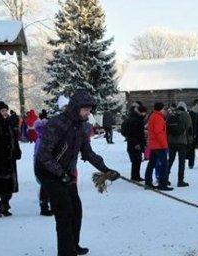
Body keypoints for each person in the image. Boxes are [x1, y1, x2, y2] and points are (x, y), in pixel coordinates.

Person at [35, 90, 121, 256]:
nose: (88, 113)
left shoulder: (81, 127)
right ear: (75, 107)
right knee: (64, 211)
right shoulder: (57, 124)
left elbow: (88, 153)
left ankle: (73, 245)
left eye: (89, 110)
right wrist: (61, 174)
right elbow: (44, 154)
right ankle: (66, 251)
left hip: (65, 172)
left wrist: (106, 170)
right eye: (85, 109)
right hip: (47, 171)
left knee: (76, 209)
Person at [144, 102, 172, 191]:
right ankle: (162, 184)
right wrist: (164, 145)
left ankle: (148, 182)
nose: (165, 111)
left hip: (153, 144)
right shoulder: (158, 118)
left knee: (151, 164)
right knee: (164, 164)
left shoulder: (153, 116)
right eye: (164, 109)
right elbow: (159, 132)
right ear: (161, 109)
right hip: (159, 145)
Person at [167, 102, 192, 187]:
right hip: (182, 142)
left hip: (171, 141)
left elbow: (167, 128)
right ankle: (180, 181)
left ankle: (165, 178)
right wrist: (190, 142)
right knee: (181, 162)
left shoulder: (171, 114)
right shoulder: (186, 115)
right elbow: (189, 129)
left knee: (170, 160)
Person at [34, 110, 52, 216]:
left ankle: (47, 204)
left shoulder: (45, 138)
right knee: (45, 185)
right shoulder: (41, 139)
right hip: (42, 164)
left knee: (49, 185)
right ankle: (44, 205)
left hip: (50, 163)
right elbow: (37, 154)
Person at [122, 102, 146, 182]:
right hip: (135, 142)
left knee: (137, 160)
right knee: (136, 160)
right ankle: (135, 176)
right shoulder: (135, 119)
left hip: (134, 142)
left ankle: (136, 175)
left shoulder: (134, 117)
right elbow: (133, 133)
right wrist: (136, 143)